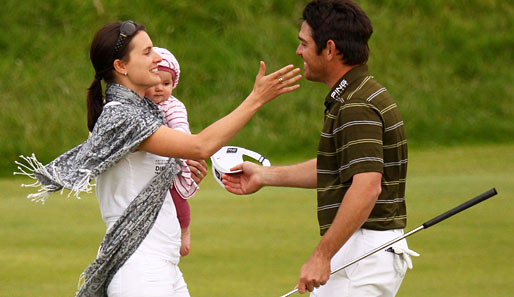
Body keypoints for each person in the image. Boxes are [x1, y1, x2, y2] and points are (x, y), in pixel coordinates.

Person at [15, 20, 301, 297]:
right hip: (140, 266)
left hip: (160, 263)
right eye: (147, 52)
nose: (157, 58)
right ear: (121, 67)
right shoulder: (122, 115)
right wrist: (257, 98)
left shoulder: (143, 111)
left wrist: (179, 174)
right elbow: (201, 145)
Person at [222, 1, 417, 296]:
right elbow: (338, 169)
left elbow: (366, 187)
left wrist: (322, 256)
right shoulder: (357, 93)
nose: (299, 51)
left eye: (304, 43)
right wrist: (265, 175)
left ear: (329, 48)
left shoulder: (355, 105)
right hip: (361, 249)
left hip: (363, 253)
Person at [144, 46, 205, 257]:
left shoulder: (173, 106)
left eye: (166, 83)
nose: (160, 88)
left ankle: (184, 230)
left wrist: (179, 147)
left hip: (173, 162)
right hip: (148, 167)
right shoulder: (138, 106)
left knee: (178, 199)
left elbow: (181, 129)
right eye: (154, 83)